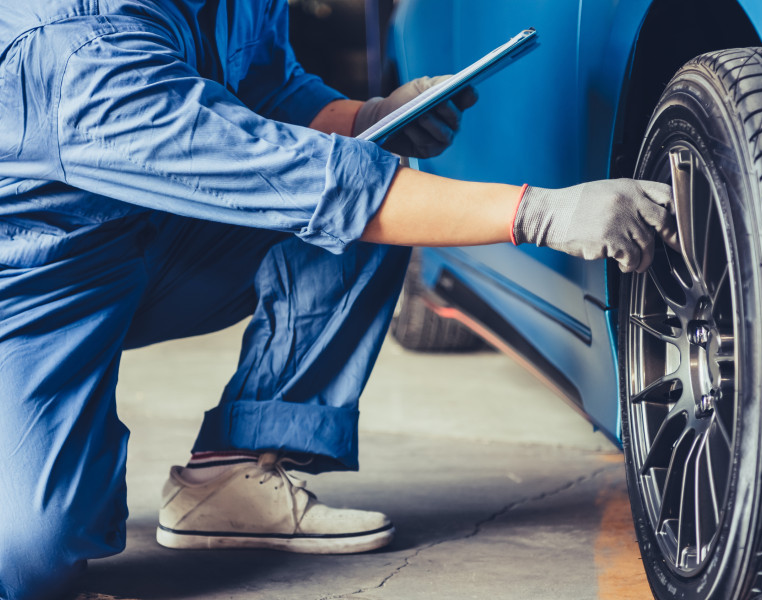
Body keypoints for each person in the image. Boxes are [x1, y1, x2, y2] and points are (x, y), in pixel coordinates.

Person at [0, 1, 675, 599]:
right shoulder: (73, 41)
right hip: (37, 279)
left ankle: (232, 476)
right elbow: (309, 182)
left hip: (160, 235)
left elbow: (268, 89)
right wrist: (540, 214)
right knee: (31, 563)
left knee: (363, 175)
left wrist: (368, 118)